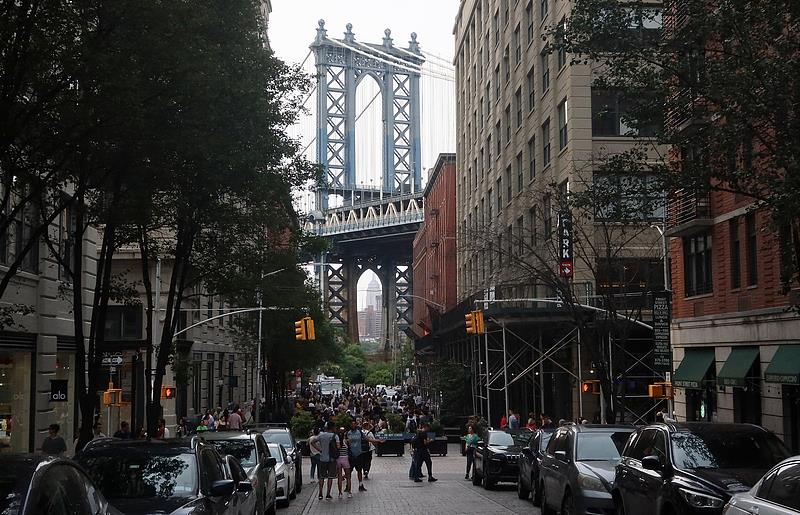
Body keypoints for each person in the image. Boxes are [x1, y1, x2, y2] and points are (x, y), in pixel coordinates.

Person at [311, 422, 337, 500]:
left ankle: (320, 493)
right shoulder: (335, 436)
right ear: (332, 428)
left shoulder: (321, 435)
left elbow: (312, 442)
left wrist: (320, 450)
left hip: (322, 458)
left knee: (321, 477)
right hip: (331, 459)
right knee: (330, 477)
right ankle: (328, 494)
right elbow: (338, 446)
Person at [335, 428, 352, 498]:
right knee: (348, 477)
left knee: (339, 477)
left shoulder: (337, 442)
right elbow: (350, 447)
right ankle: (349, 492)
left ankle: (340, 493)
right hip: (345, 459)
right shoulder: (347, 441)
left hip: (338, 459)